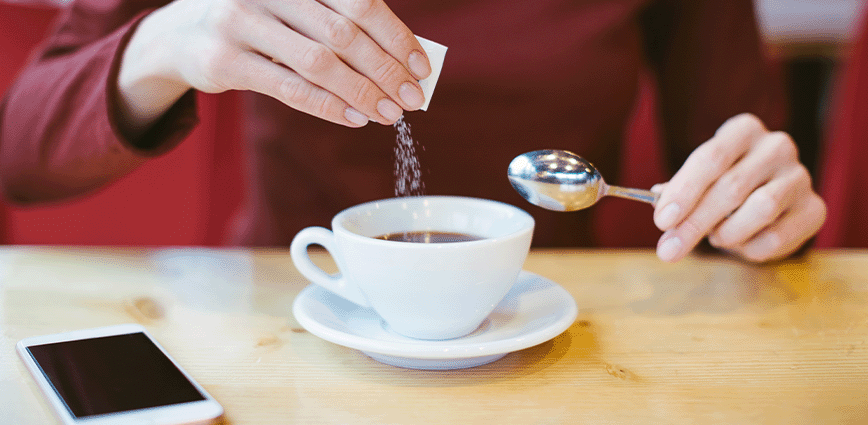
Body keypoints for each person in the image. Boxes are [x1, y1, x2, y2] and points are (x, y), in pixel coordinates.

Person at [0, 0, 825, 263]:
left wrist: (756, 205)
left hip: (554, 330)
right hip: (291, 315)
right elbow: (19, 156)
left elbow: (733, 152)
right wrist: (170, 41)